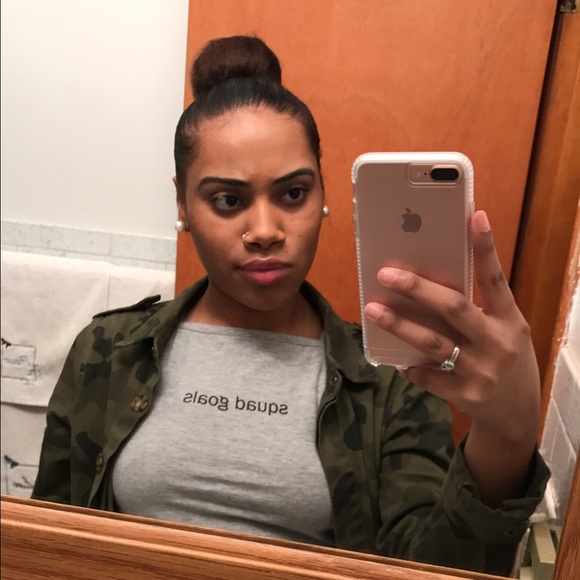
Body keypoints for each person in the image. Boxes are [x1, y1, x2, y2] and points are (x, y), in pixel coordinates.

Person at [32, 35, 549, 575]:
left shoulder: (392, 380)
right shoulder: (108, 353)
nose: (265, 231)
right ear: (182, 203)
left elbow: (426, 569)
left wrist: (506, 437)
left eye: (293, 193)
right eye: (227, 200)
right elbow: (43, 545)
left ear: (323, 195)